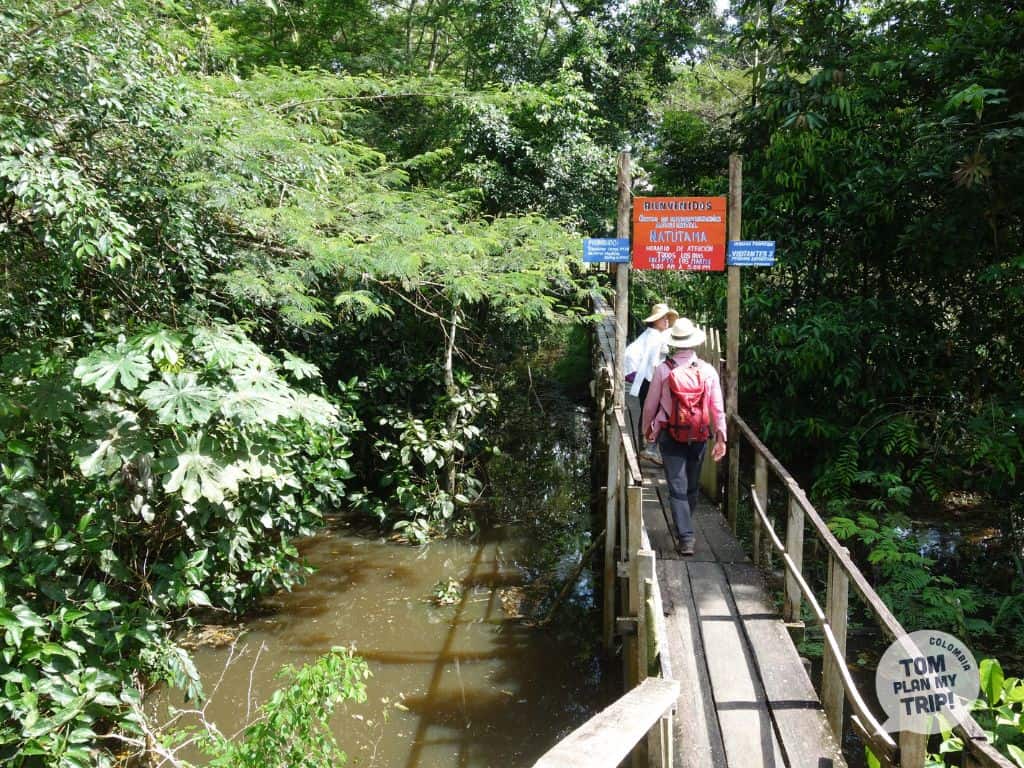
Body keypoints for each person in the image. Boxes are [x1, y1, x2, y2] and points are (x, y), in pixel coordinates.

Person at [641, 317, 727, 556]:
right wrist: (721, 437)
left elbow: (650, 404)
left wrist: (647, 429)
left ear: (673, 343)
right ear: (694, 343)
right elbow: (717, 407)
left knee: (676, 487)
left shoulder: (663, 369)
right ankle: (685, 527)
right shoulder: (708, 371)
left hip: (670, 434)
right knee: (691, 486)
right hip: (698, 435)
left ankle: (686, 536)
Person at [623, 303, 678, 463]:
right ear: (656, 321)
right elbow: (653, 362)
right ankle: (650, 448)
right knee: (655, 412)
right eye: (664, 318)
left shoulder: (651, 334)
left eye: (668, 318)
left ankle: (646, 446)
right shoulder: (654, 337)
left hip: (646, 379)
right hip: (650, 380)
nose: (667, 321)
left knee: (648, 411)